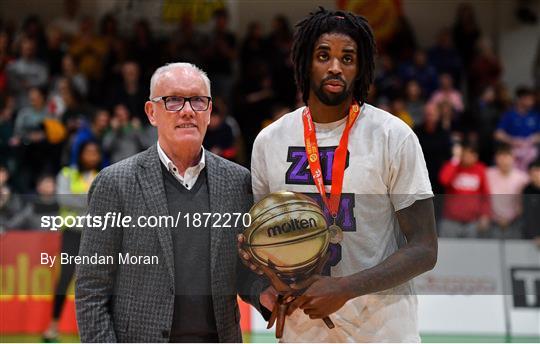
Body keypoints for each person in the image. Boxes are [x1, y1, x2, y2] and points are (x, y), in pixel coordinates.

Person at [244, 8, 437, 342]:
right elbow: (265, 240)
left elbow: (424, 248)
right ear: (305, 62)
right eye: (323, 56)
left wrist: (346, 287)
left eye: (347, 58)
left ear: (360, 68)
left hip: (383, 331)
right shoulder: (269, 141)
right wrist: (265, 283)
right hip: (303, 332)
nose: (335, 67)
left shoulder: (393, 136)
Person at [75, 62, 269, 342]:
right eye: (174, 100)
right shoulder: (115, 183)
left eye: (198, 101)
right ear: (151, 112)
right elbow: (91, 288)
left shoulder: (238, 181)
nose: (188, 110)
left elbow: (241, 272)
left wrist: (266, 295)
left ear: (210, 110)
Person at [44, 140, 102, 341]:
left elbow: (105, 205)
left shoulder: (104, 176)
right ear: (80, 153)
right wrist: (90, 200)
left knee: (93, 283)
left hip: (94, 235)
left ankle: (90, 329)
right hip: (71, 233)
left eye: (95, 152)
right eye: (88, 151)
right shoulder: (67, 173)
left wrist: (81, 199)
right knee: (65, 279)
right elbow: (64, 199)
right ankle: (52, 326)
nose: (91, 156)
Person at [439, 141, 491, 238]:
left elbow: (485, 194)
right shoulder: (452, 166)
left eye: (474, 153)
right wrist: (456, 159)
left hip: (472, 221)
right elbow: (444, 180)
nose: (472, 156)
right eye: (469, 152)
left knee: (471, 251)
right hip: (451, 220)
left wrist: (485, 215)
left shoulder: (480, 169)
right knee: (448, 250)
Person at [486, 144, 529, 239]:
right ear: (496, 158)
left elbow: (524, 203)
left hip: (515, 221)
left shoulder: (523, 178)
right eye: (501, 157)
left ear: (513, 158)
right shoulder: (487, 174)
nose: (504, 160)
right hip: (491, 221)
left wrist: (511, 218)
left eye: (507, 156)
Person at [495, 86, 540, 171]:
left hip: (530, 153)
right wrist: (512, 140)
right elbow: (498, 134)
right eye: (529, 99)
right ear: (521, 99)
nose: (532, 102)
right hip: (513, 151)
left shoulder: (535, 115)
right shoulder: (509, 115)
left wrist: (531, 139)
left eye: (532, 100)